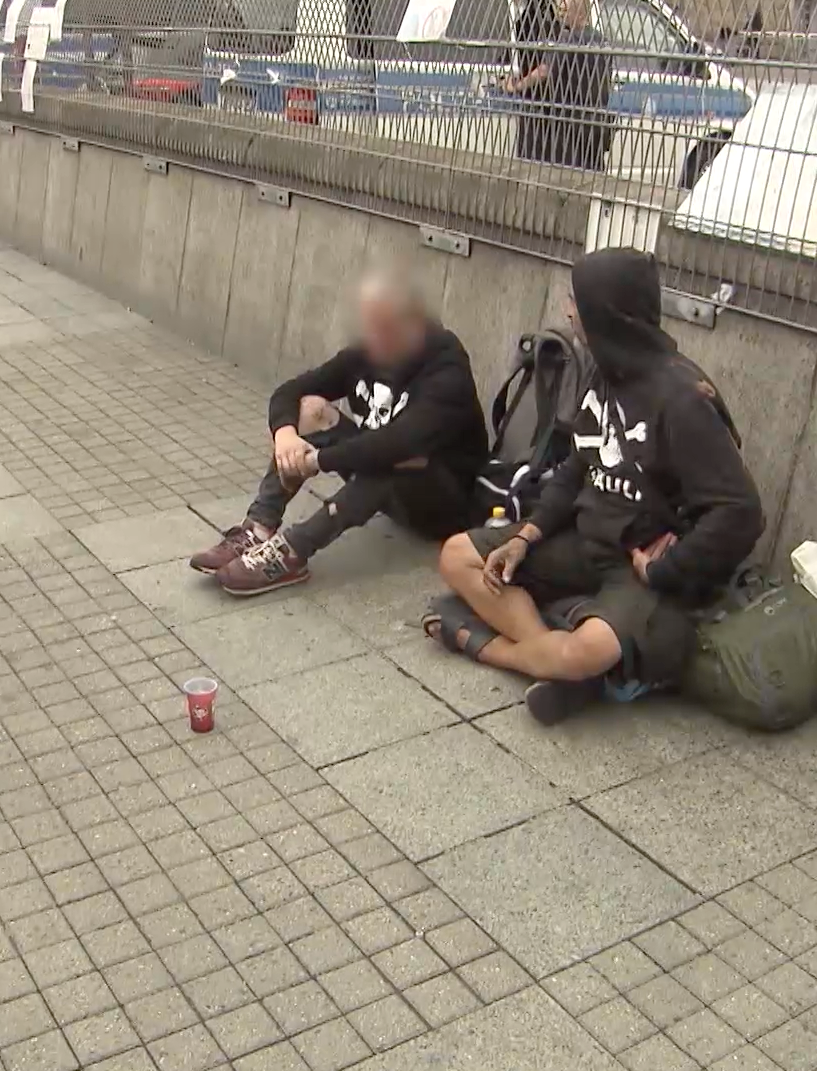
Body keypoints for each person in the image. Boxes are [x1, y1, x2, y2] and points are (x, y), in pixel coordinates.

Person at [426, 248, 765, 724]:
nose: (568, 311)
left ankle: (489, 645)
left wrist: (665, 570)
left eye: (576, 302)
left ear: (607, 315)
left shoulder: (682, 400)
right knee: (457, 556)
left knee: (583, 652)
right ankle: (557, 663)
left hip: (639, 568)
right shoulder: (604, 373)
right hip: (586, 541)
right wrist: (526, 536)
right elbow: (575, 467)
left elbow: (741, 512)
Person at [190, 269, 489, 596]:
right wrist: (285, 436)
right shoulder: (370, 350)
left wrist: (318, 460)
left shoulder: (446, 369)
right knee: (310, 410)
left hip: (445, 506)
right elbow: (292, 391)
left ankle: (292, 552)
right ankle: (258, 528)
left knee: (393, 459)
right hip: (391, 480)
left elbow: (399, 444)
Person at [502, 0, 614, 171]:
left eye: (564, 9)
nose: (560, 13)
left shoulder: (568, 41)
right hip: (594, 127)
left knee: (566, 173)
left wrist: (516, 86)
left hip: (569, 126)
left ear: (579, 11)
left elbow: (544, 71)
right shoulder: (602, 42)